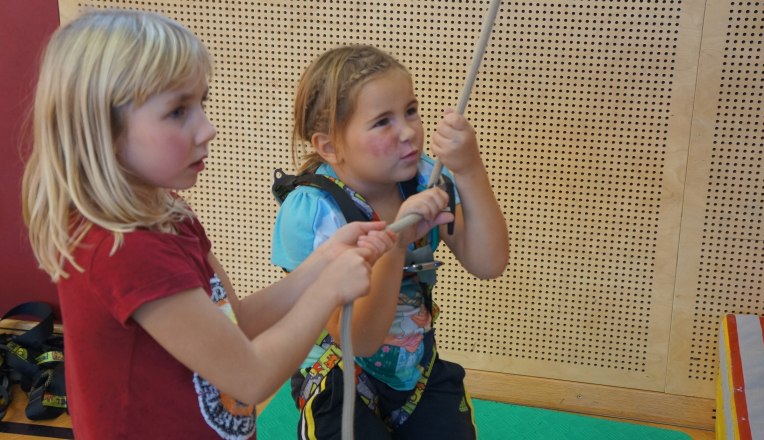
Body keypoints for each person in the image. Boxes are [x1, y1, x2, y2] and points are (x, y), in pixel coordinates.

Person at [21, 10, 398, 440]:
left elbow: (237, 321)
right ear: (102, 128)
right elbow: (249, 378)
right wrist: (330, 291)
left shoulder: (168, 214)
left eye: (202, 102)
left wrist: (325, 262)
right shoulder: (122, 248)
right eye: (178, 111)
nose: (208, 128)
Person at [272, 45, 509, 439]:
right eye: (383, 122)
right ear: (329, 146)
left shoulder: (425, 180)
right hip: (339, 380)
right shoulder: (315, 212)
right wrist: (396, 240)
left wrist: (469, 169)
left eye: (411, 111)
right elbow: (360, 340)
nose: (408, 132)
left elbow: (489, 263)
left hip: (416, 374)